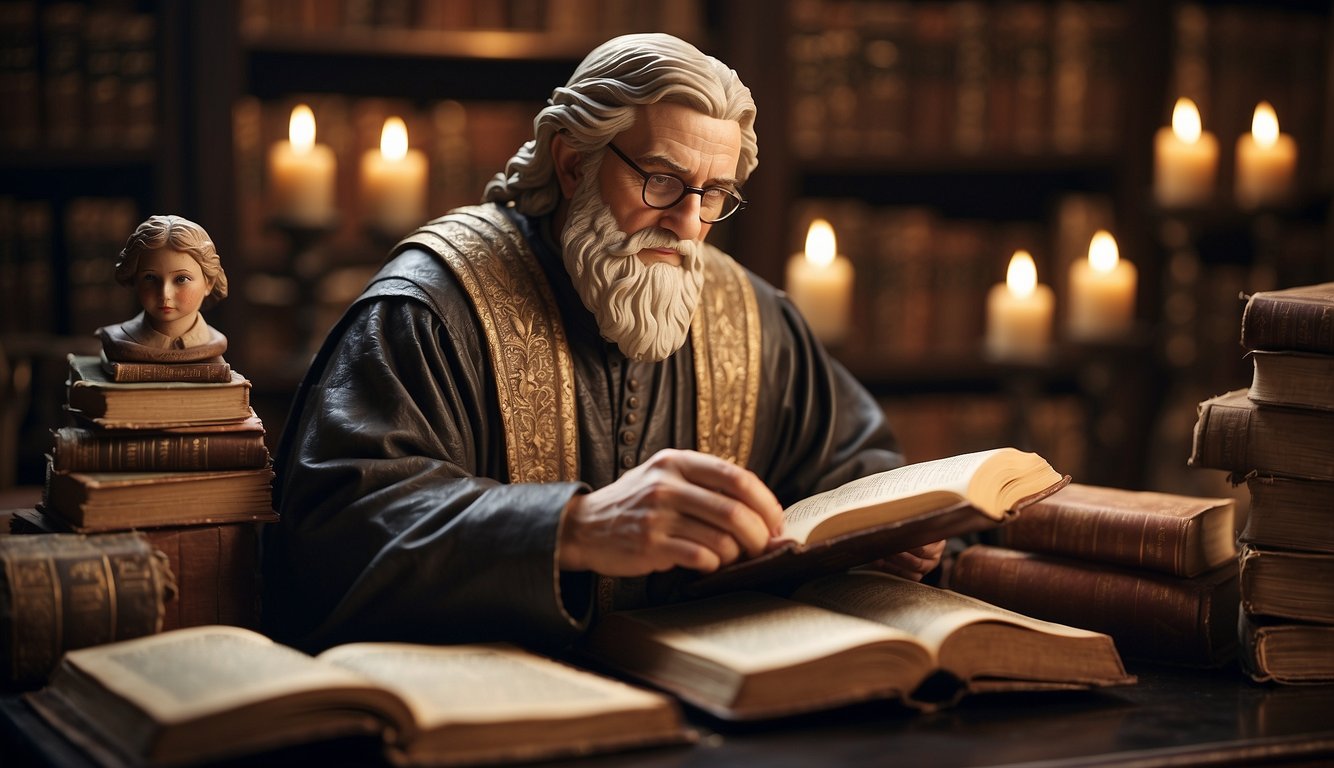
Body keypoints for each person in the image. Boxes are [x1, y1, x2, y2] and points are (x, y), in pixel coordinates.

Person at [263, 33, 943, 653]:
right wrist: (572, 528)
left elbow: (851, 468)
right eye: (662, 180)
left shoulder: (754, 317)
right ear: (570, 162)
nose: (686, 223)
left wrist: (886, 537)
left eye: (714, 195)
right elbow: (339, 532)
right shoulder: (433, 307)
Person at [97, 214, 229, 363]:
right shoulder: (119, 342)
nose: (164, 294)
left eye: (181, 279)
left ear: (209, 283)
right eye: (150, 278)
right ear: (134, 279)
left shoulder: (213, 344)